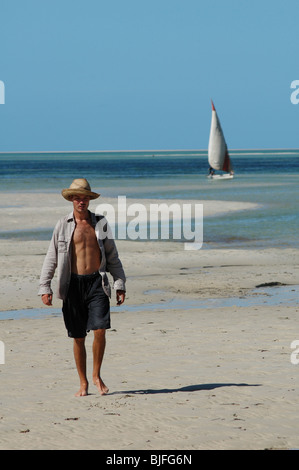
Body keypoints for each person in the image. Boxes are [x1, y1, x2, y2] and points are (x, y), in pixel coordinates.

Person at [38, 178, 126, 397]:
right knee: (78, 337)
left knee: (100, 329)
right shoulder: (62, 225)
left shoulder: (100, 223)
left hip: (97, 282)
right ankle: (83, 382)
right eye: (77, 197)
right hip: (72, 285)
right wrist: (45, 287)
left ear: (89, 199)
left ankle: (96, 375)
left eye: (85, 197)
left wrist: (119, 283)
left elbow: (112, 256)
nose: (81, 201)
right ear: (71, 200)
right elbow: (52, 257)